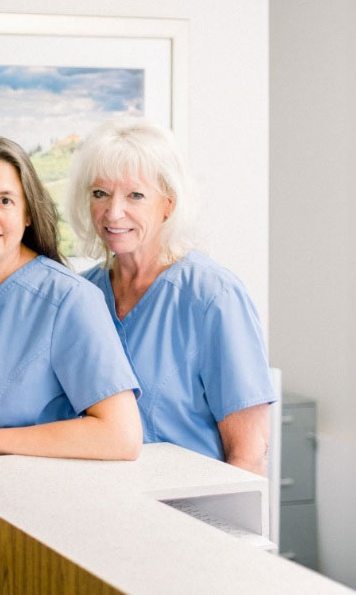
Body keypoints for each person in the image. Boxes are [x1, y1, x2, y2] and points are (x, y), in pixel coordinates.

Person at [65, 118, 275, 474]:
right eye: (100, 193)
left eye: (135, 195)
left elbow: (249, 453)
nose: (113, 212)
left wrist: (221, 529)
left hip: (187, 512)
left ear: (168, 204)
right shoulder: (81, 296)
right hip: (98, 506)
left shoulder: (213, 297)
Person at [0, 134, 142, 459]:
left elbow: (120, 435)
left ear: (28, 213)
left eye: (6, 201)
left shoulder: (70, 299)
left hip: (15, 497)